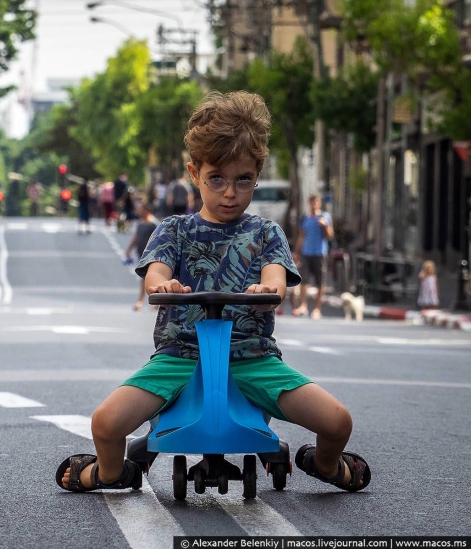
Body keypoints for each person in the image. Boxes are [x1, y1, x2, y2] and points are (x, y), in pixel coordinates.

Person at [55, 91, 370, 495]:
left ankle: (324, 464)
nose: (230, 192)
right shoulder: (175, 230)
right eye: (216, 178)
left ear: (257, 174)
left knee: (338, 421)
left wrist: (269, 287)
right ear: (194, 172)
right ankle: (109, 473)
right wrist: (162, 283)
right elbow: (155, 274)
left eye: (243, 179)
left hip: (252, 359)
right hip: (179, 358)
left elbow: (276, 278)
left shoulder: (266, 233)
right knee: (105, 423)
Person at [293, 195, 334, 319]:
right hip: (306, 252)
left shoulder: (325, 217)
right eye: (312, 202)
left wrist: (325, 226)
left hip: (320, 253)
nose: (314, 205)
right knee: (303, 280)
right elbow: (301, 236)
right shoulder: (305, 218)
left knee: (320, 281)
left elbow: (330, 236)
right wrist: (296, 252)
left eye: (316, 202)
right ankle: (303, 306)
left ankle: (317, 309)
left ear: (319, 203)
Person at [124, 202, 158, 311]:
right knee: (143, 278)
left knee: (150, 278)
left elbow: (158, 240)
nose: (138, 212)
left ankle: (152, 301)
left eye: (141, 210)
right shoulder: (140, 223)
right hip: (142, 255)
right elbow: (136, 237)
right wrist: (129, 249)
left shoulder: (153, 224)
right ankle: (141, 301)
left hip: (152, 256)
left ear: (146, 210)